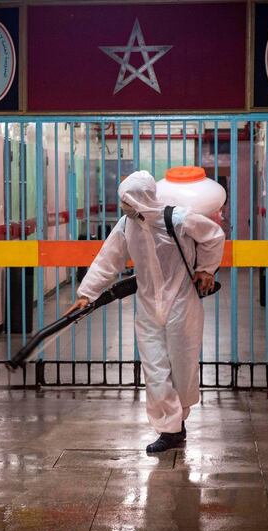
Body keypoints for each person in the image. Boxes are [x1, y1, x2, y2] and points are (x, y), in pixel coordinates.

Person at [66, 171, 225, 453]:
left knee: (183, 368)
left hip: (182, 305)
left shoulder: (177, 218)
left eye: (129, 201)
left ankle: (179, 418)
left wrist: (205, 269)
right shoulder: (126, 226)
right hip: (148, 307)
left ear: (143, 198)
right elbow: (107, 260)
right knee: (154, 371)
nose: (125, 207)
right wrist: (86, 294)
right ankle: (169, 429)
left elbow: (213, 235)